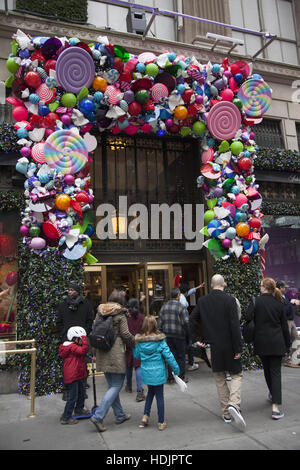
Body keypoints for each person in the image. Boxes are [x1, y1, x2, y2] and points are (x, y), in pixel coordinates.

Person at [189, 274, 246, 430]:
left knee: (219, 378)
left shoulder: (202, 301)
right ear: (224, 284)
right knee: (236, 374)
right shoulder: (230, 300)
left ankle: (226, 413)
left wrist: (196, 339)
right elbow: (235, 326)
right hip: (228, 344)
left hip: (211, 346)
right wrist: (238, 348)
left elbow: (192, 319)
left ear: (212, 285)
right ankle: (234, 403)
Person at [245, 278, 291, 420]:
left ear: (265, 287)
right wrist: (287, 345)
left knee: (267, 370)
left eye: (260, 285)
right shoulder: (278, 303)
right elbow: (284, 327)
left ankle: (273, 394)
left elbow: (247, 317)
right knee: (276, 372)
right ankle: (275, 407)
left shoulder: (256, 302)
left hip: (262, 343)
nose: (259, 287)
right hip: (277, 342)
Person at [90, 290, 136, 432]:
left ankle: (120, 415)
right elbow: (126, 334)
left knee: (112, 386)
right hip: (115, 352)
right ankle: (98, 416)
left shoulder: (100, 312)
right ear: (121, 301)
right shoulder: (120, 314)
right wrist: (136, 343)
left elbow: (94, 329)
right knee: (116, 385)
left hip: (102, 351)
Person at [133, 316, 180, 431]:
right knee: (159, 396)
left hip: (146, 371)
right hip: (158, 371)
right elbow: (169, 356)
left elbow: (136, 356)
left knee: (150, 393)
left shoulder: (140, 342)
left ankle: (145, 416)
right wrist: (176, 369)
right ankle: (161, 421)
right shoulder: (160, 341)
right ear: (155, 325)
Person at [56, 283, 94, 400]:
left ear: (77, 291)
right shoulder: (63, 305)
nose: (69, 292)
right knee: (68, 366)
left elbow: (89, 320)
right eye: (69, 290)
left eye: (72, 290)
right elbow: (59, 321)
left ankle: (81, 391)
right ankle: (67, 390)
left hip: (81, 340)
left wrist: (83, 334)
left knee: (81, 365)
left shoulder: (86, 304)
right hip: (67, 340)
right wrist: (64, 333)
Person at [157, 288, 189, 383]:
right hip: (179, 335)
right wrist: (187, 333)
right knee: (181, 356)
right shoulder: (181, 307)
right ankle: (181, 376)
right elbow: (186, 322)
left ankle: (171, 378)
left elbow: (160, 322)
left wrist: (162, 332)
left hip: (167, 336)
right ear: (178, 295)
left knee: (170, 356)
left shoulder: (164, 306)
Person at [59, 326, 90, 425]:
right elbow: (82, 351)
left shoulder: (74, 346)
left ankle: (79, 409)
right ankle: (66, 417)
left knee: (81, 393)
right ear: (74, 338)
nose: (82, 341)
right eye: (80, 339)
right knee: (73, 396)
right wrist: (85, 340)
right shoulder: (71, 346)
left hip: (78, 374)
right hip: (73, 375)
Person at [179, 282, 205, 372]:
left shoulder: (180, 296)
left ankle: (189, 362)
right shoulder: (182, 300)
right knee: (189, 343)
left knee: (187, 344)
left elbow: (189, 292)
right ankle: (190, 363)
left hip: (182, 325)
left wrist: (198, 287)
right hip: (184, 324)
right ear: (185, 292)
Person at [125, 298, 145, 402]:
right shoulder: (142, 317)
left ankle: (128, 386)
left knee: (128, 365)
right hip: (140, 343)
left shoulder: (126, 318)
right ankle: (140, 391)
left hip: (129, 344)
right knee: (138, 366)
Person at [276, 281, 300, 368]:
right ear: (280, 288)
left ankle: (296, 358)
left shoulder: (285, 296)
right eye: (284, 287)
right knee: (286, 340)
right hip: (285, 321)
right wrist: (290, 302)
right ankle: (286, 359)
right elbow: (283, 308)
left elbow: (289, 301)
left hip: (291, 321)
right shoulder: (277, 297)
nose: (285, 289)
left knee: (296, 339)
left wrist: (293, 301)